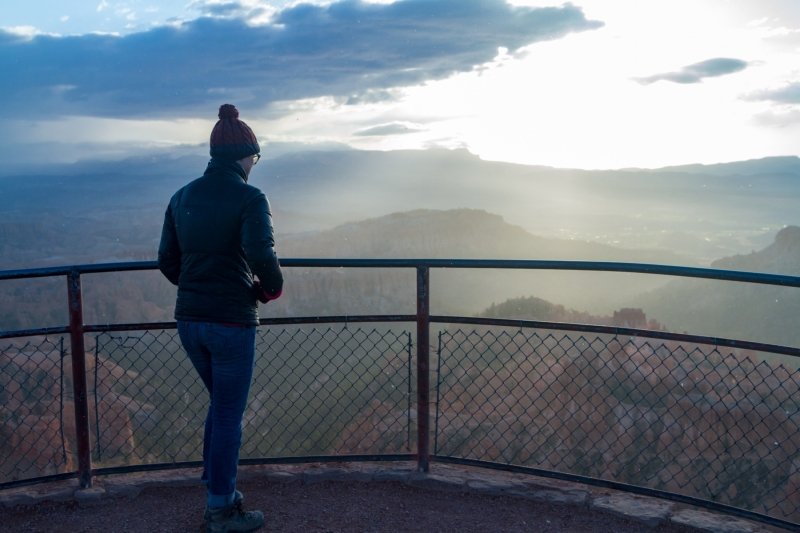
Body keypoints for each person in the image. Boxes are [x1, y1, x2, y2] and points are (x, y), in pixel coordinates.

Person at [158, 103, 283, 532]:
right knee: (230, 413)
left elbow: (167, 261)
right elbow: (261, 253)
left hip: (189, 321)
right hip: (231, 322)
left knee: (221, 404)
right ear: (245, 157)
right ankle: (221, 511)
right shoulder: (250, 197)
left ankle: (217, 485)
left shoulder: (181, 196)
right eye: (255, 157)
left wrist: (196, 290)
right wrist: (268, 290)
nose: (254, 165)